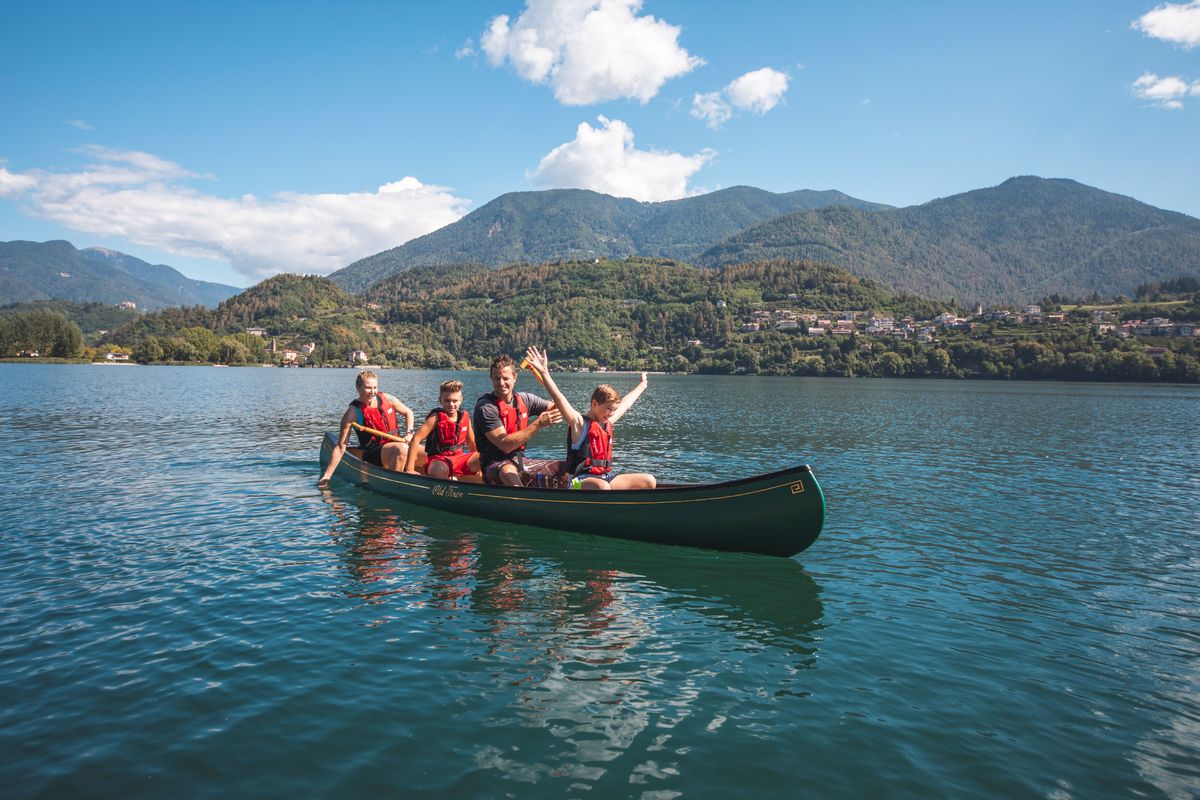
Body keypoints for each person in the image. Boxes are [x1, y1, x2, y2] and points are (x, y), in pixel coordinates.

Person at [522, 346, 657, 490]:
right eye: (608, 409)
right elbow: (559, 397)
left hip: (604, 478)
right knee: (603, 488)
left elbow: (626, 404)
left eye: (613, 410)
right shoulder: (579, 423)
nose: (611, 413)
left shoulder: (606, 422)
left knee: (649, 481)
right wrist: (544, 372)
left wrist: (642, 385)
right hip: (579, 481)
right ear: (594, 404)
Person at [472, 354, 564, 487]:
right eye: (497, 378)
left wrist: (558, 403)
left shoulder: (525, 399)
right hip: (493, 464)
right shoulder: (486, 407)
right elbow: (505, 445)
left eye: (505, 378)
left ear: (515, 378)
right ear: (491, 379)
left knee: (564, 467)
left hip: (520, 460)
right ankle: (525, 502)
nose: (501, 383)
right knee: (508, 471)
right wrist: (538, 423)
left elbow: (557, 408)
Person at [318, 370, 417, 487]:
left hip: (395, 445)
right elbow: (340, 447)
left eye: (375, 387)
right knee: (402, 448)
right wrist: (327, 476)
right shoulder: (353, 412)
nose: (373, 392)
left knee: (424, 452)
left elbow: (408, 412)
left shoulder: (387, 398)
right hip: (373, 453)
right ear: (358, 388)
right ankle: (394, 486)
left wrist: (409, 433)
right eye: (368, 388)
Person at [404, 380, 481, 480]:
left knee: (485, 458)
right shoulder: (435, 418)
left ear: (461, 400)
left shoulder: (465, 418)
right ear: (440, 400)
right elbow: (416, 439)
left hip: (459, 458)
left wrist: (478, 465)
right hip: (439, 459)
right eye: (447, 400)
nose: (451, 404)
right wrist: (410, 469)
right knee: (440, 469)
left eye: (455, 401)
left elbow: (471, 443)